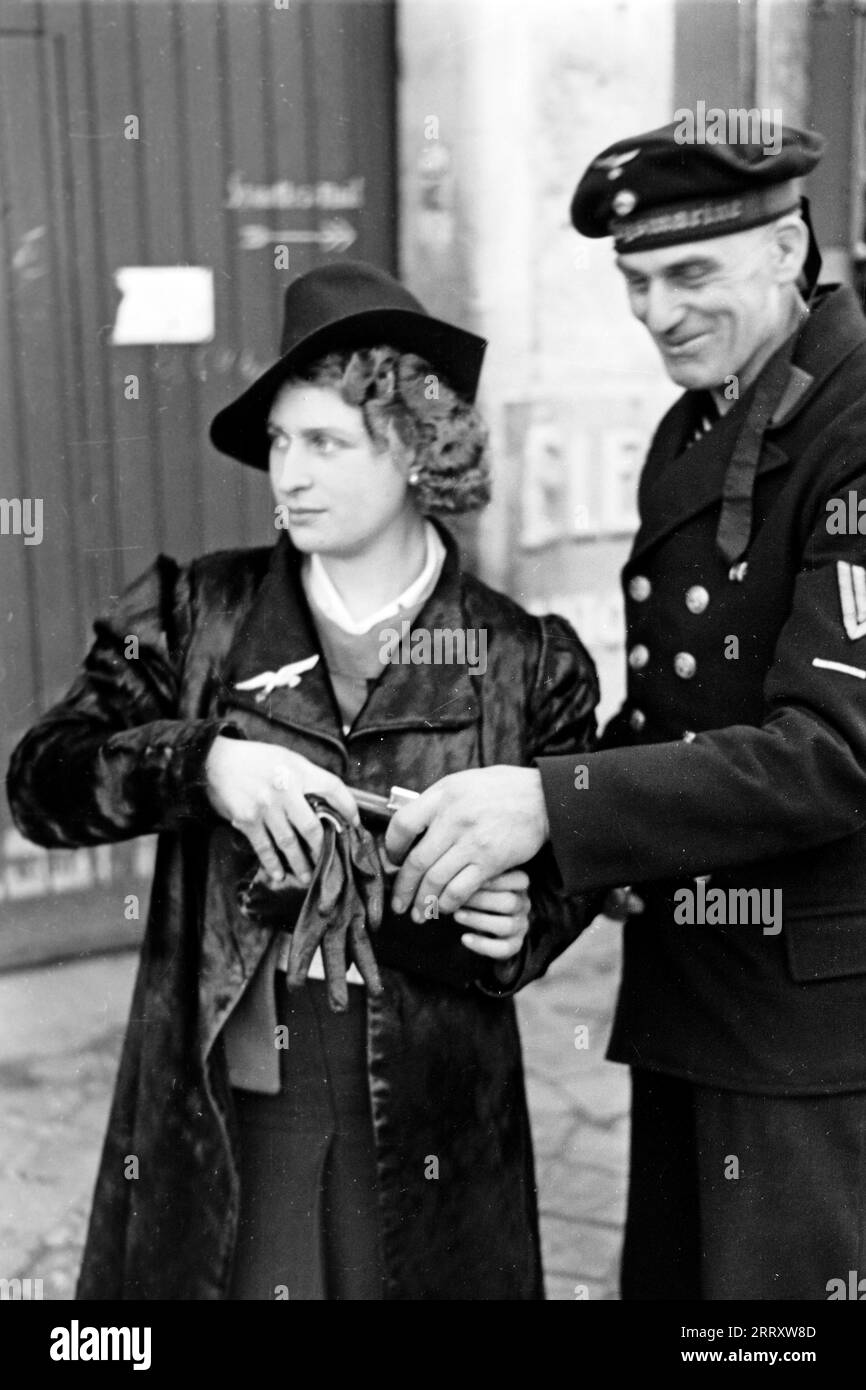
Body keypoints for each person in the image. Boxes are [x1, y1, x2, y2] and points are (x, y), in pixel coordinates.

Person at [6, 260, 600, 1300]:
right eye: (279, 442)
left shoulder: (524, 658)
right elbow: (40, 781)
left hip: (431, 1116)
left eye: (323, 441)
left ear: (416, 448)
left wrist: (530, 922)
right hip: (236, 1100)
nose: (288, 473)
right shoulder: (195, 615)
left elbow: (576, 856)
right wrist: (204, 761)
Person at [385, 121, 866, 1300]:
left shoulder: (851, 429)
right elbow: (670, 713)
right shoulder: (696, 422)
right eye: (633, 281)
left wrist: (548, 805)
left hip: (806, 1033)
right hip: (694, 997)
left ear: (785, 247)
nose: (654, 312)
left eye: (689, 274)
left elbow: (831, 756)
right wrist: (532, 875)